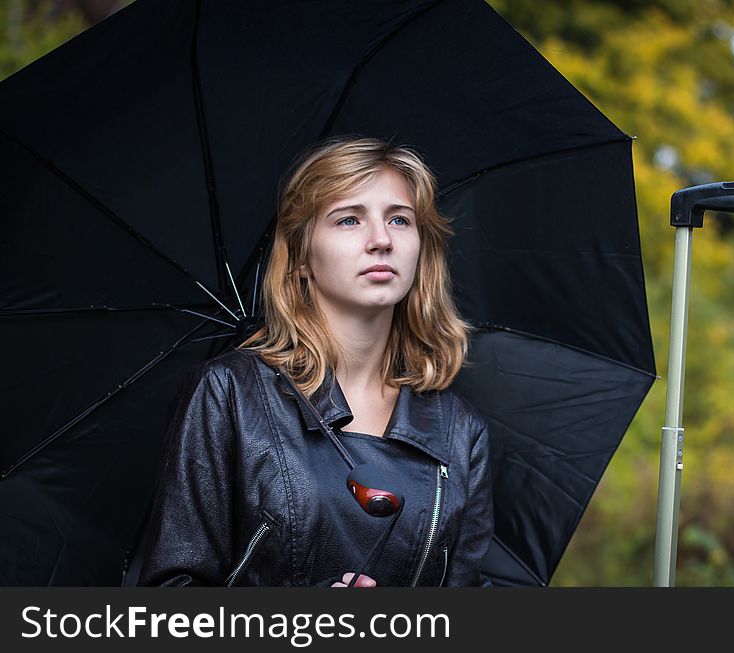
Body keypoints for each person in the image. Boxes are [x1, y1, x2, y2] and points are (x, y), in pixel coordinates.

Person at [137, 136, 494, 587]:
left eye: (400, 220)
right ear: (302, 256)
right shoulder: (227, 394)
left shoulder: (461, 432)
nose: (381, 240)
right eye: (349, 219)